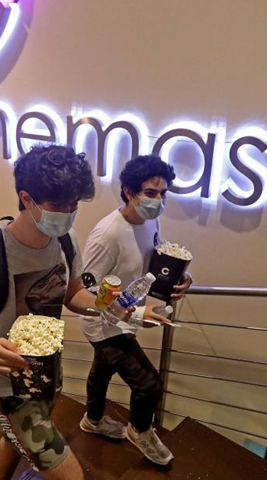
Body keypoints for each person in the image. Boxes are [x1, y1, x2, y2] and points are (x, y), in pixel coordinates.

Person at [0, 145, 165, 479]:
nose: (68, 213)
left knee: (14, 442)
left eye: (74, 204)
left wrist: (110, 307)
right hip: (3, 389)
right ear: (26, 199)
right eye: (58, 205)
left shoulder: (66, 240)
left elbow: (74, 294)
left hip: (46, 373)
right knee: (71, 475)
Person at [78, 155, 193, 466]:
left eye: (163, 193)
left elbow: (155, 256)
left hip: (127, 317)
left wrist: (182, 277)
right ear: (128, 192)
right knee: (148, 384)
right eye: (150, 193)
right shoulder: (107, 235)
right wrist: (139, 315)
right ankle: (140, 430)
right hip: (104, 325)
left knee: (102, 370)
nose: (159, 201)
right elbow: (89, 295)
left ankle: (92, 420)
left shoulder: (150, 219)